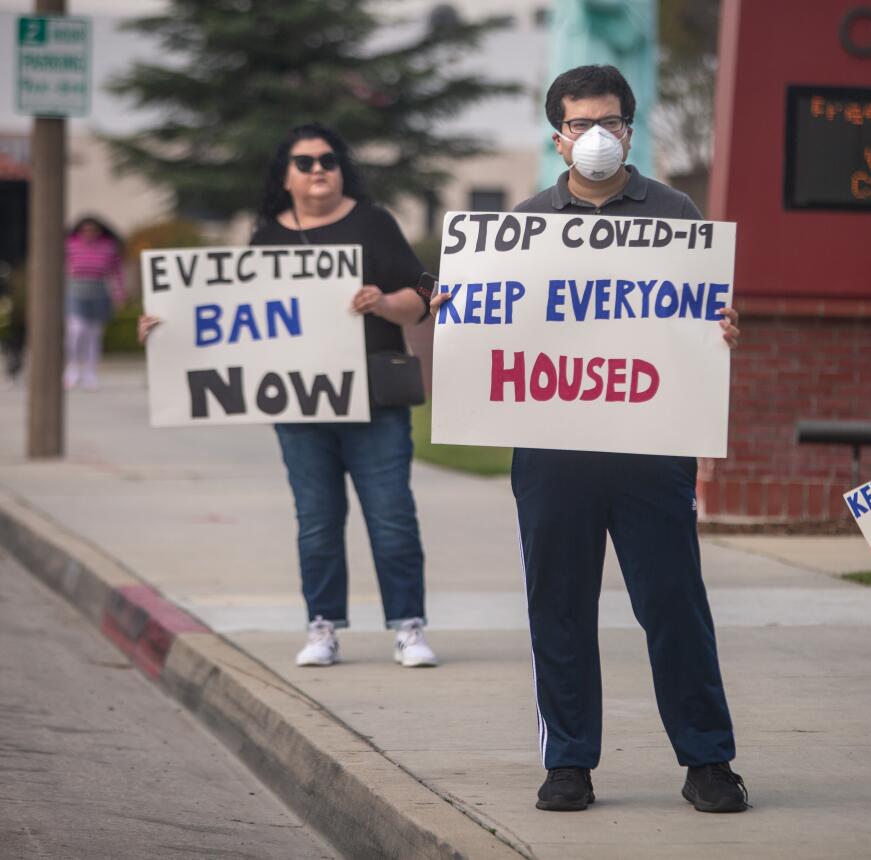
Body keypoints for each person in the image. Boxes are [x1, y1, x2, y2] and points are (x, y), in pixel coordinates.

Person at [436, 65, 746, 814]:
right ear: (557, 137)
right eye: (580, 124)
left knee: (674, 605)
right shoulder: (522, 222)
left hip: (650, 447)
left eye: (609, 121)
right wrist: (461, 311)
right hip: (552, 452)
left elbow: (698, 317)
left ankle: (707, 760)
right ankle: (568, 762)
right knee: (560, 609)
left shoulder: (674, 212)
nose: (596, 136)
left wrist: (721, 333)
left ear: (631, 130)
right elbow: (496, 328)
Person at [141, 123, 437, 669]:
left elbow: (421, 297)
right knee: (317, 520)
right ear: (285, 176)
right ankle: (322, 626)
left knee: (392, 516)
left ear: (343, 167)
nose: (318, 169)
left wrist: (380, 303)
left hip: (375, 402)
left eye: (329, 159)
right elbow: (235, 317)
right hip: (299, 406)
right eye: (304, 162)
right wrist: (167, 328)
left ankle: (408, 626)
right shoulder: (266, 235)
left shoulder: (373, 224)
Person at [64, 216, 125, 390]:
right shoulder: (70, 244)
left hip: (98, 290)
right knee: (76, 330)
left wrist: (119, 294)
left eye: (93, 230)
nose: (89, 233)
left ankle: (90, 372)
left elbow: (117, 271)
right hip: (76, 290)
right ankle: (73, 367)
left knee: (93, 335)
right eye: (85, 230)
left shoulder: (108, 247)